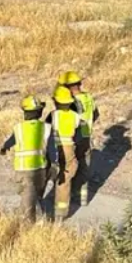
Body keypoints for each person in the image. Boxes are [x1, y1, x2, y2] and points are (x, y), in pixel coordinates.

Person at [0, 95, 49, 222]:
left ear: (25, 113)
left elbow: (10, 141)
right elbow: (52, 147)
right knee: (36, 193)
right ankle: (34, 212)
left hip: (23, 168)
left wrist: (4, 148)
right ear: (40, 112)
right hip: (41, 168)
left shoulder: (19, 128)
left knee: (27, 193)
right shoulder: (46, 127)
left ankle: (30, 221)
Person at [58, 70, 97, 203]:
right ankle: (83, 197)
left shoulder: (72, 102)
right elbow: (96, 114)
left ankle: (67, 196)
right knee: (84, 165)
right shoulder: (88, 97)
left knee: (69, 167)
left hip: (74, 136)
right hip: (86, 135)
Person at [47, 85, 83, 222]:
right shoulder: (75, 116)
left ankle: (40, 204)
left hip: (53, 147)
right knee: (65, 179)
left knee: (48, 174)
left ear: (55, 102)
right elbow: (78, 134)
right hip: (69, 148)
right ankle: (60, 213)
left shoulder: (52, 115)